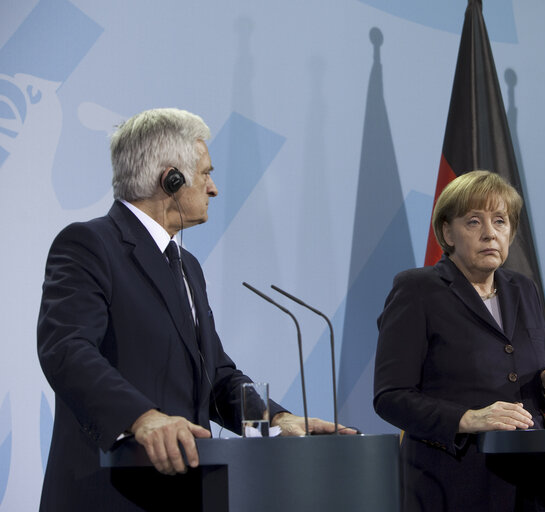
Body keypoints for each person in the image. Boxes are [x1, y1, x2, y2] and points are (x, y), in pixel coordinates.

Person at [37, 108, 351, 511]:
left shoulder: (187, 266)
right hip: (109, 491)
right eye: (205, 173)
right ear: (171, 178)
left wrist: (276, 420)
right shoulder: (89, 244)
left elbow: (215, 372)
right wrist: (141, 417)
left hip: (185, 492)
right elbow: (65, 348)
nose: (214, 188)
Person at [374, 170, 545, 512]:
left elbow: (532, 394)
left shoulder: (524, 289)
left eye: (501, 221)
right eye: (474, 221)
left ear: (511, 232)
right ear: (447, 232)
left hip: (529, 485)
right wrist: (467, 418)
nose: (490, 233)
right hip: (451, 484)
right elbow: (390, 397)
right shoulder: (417, 290)